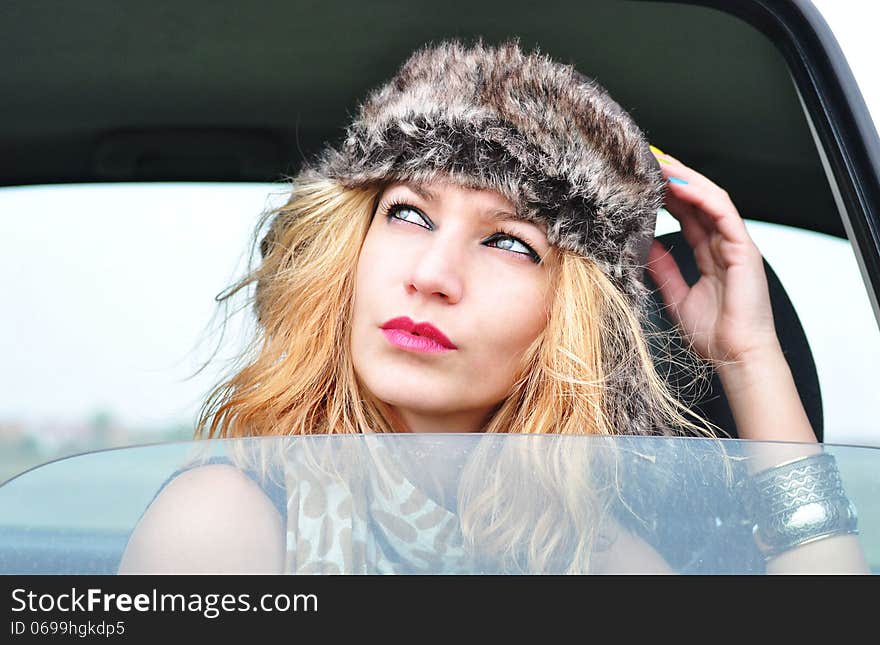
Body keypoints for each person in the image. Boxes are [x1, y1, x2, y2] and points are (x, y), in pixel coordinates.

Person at [118, 40, 864, 574]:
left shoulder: (586, 558)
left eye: (509, 243)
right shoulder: (226, 526)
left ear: (568, 317)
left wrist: (750, 358)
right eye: (409, 214)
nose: (434, 274)